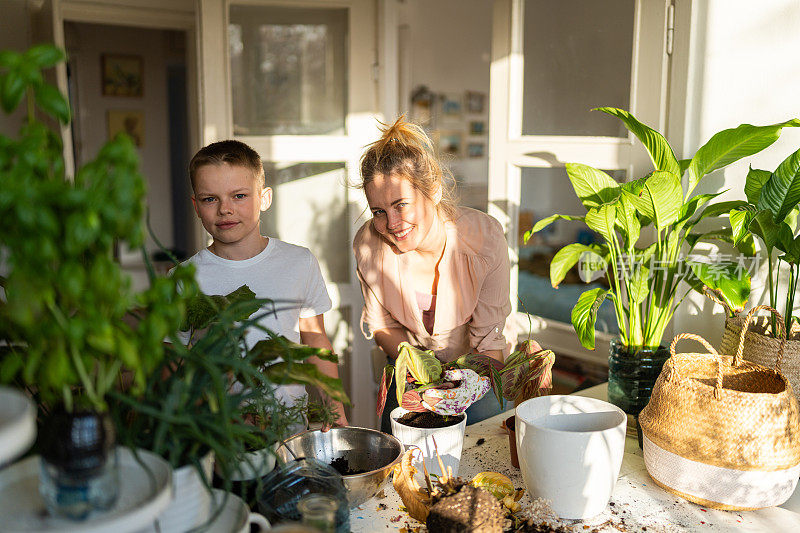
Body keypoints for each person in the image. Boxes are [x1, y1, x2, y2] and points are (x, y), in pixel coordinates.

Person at [353, 118, 538, 431]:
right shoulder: (370, 245)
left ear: (434, 191)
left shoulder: (483, 239)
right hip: (410, 375)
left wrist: (463, 388)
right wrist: (426, 374)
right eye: (379, 211)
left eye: (401, 205)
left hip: (478, 376)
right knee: (404, 470)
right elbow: (383, 327)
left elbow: (489, 343)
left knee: (480, 467)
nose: (392, 222)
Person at [181, 139, 347, 431]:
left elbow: (315, 340)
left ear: (265, 198)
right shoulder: (184, 279)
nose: (225, 209)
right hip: (217, 436)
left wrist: (334, 408)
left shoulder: (300, 262)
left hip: (290, 431)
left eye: (239, 196)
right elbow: (176, 364)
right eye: (210, 199)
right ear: (196, 206)